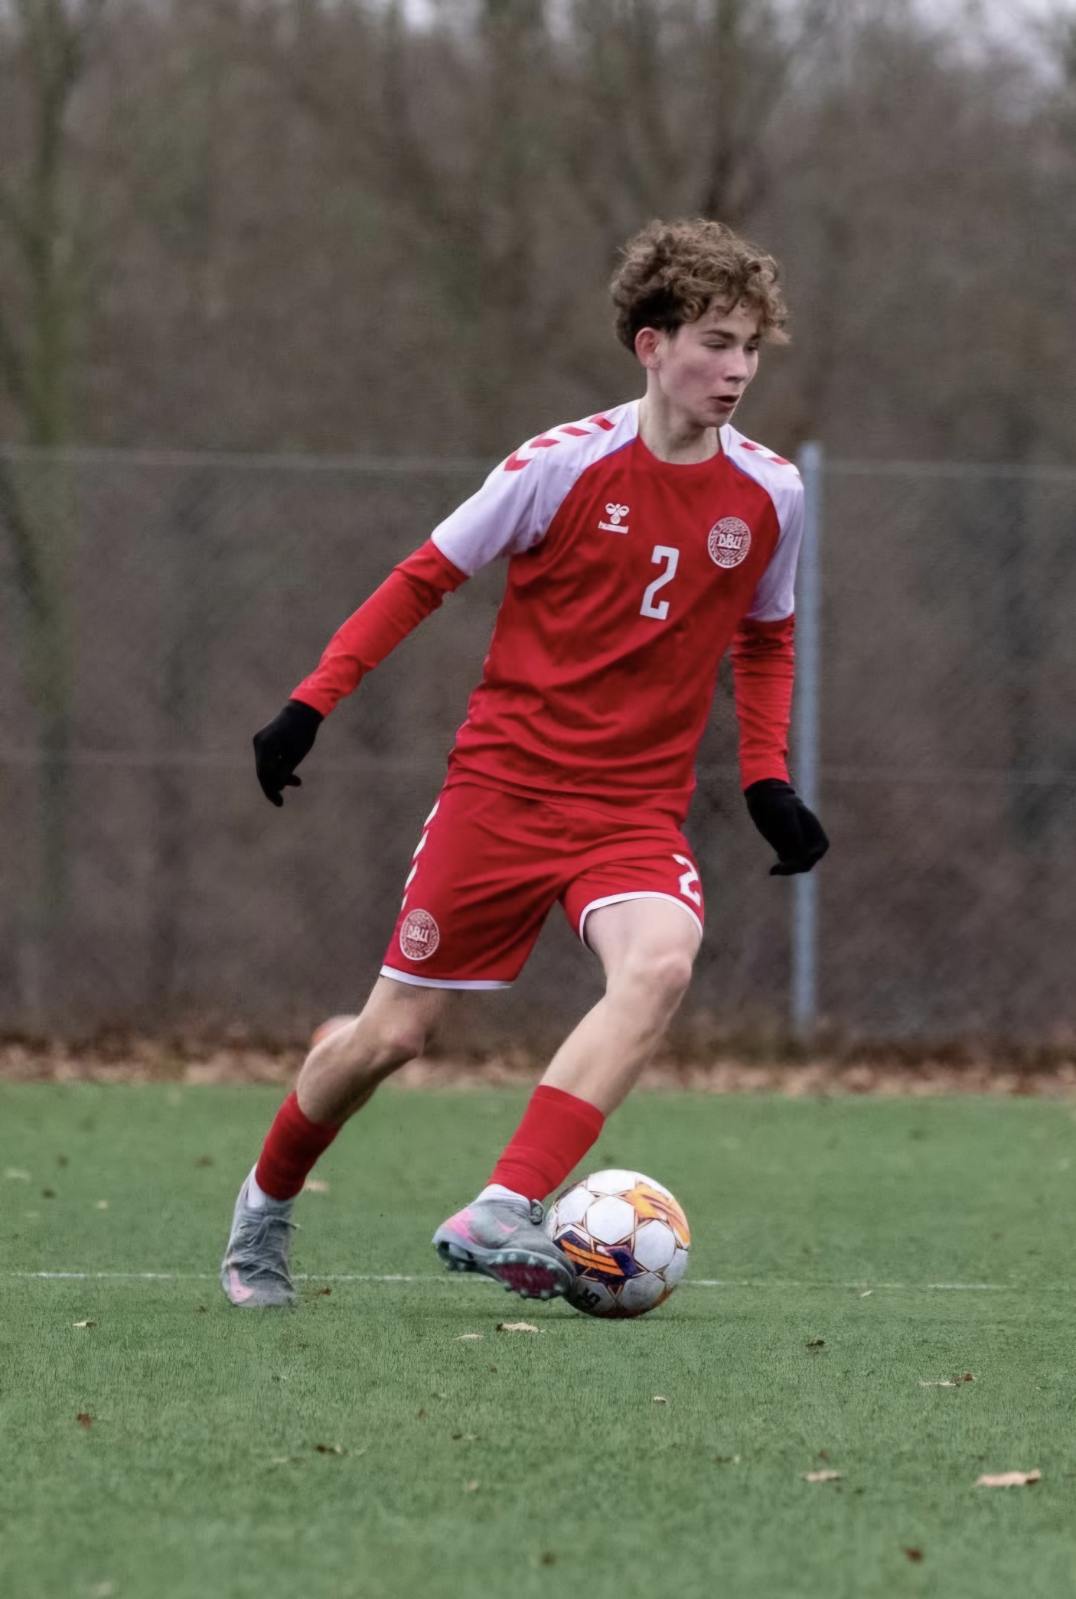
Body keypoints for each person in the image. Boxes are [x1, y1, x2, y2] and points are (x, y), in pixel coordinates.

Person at [220, 216, 828, 1309]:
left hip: (631, 814)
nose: (736, 369)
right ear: (651, 345)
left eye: (749, 347)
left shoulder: (770, 491)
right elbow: (422, 577)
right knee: (388, 1038)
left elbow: (767, 637)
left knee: (660, 964)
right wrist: (310, 705)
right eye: (714, 343)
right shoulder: (559, 465)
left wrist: (764, 778)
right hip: (500, 796)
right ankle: (264, 1205)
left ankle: (505, 1202)